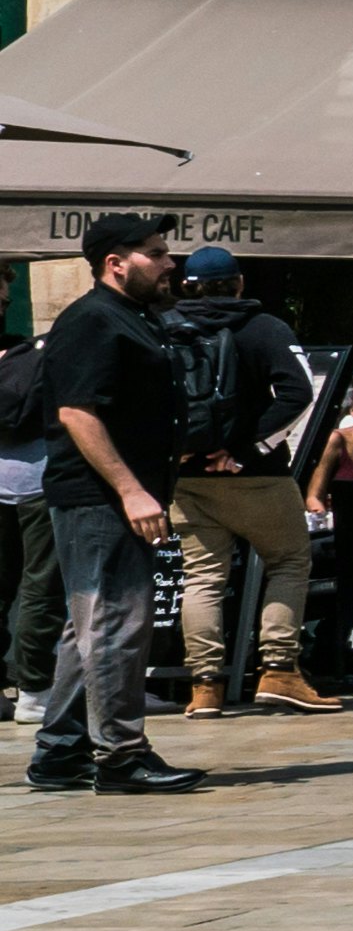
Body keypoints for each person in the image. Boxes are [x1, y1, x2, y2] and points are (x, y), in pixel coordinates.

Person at [18, 216, 209, 797]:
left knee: (91, 629)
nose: (170, 263)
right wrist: (130, 489)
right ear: (115, 262)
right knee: (114, 625)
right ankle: (121, 755)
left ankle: (61, 751)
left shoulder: (132, 317)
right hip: (100, 498)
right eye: (155, 253)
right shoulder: (93, 320)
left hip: (117, 496)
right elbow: (78, 413)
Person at [156, 245, 330, 722]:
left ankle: (205, 687)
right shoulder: (264, 327)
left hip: (186, 478)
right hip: (255, 477)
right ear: (238, 283)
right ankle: (278, 672)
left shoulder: (163, 326)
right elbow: (298, 391)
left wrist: (176, 451)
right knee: (289, 562)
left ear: (186, 285)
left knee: (203, 578)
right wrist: (245, 450)